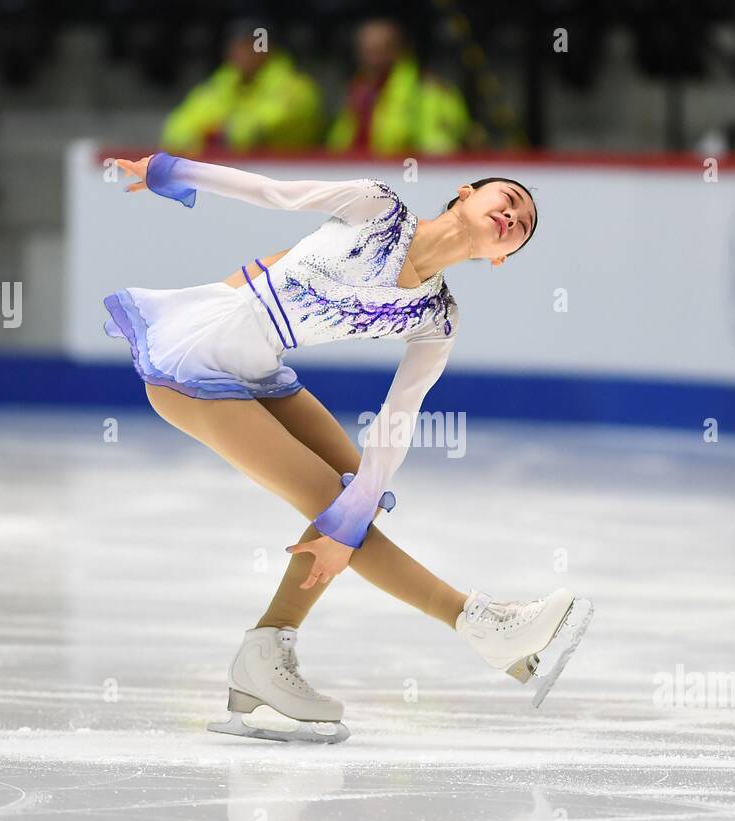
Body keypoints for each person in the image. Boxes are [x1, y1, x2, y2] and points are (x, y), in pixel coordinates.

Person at [103, 152, 591, 742]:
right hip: (194, 358)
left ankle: (268, 653)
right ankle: (476, 622)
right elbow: (273, 192)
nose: (513, 216)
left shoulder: (437, 318)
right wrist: (169, 170)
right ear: (464, 193)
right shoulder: (376, 205)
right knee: (337, 511)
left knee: (354, 501)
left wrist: (352, 516)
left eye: (522, 226)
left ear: (499, 258)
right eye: (508, 200)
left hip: (257, 367)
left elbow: (396, 421)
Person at [159, 22, 323, 154]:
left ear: (268, 48)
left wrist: (215, 133)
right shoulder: (217, 85)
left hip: (284, 173)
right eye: (237, 46)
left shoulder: (296, 88)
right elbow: (175, 131)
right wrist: (209, 136)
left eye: (249, 45)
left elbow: (260, 129)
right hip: (223, 174)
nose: (241, 53)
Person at [326, 18, 472, 155]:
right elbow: (340, 141)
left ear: (398, 51)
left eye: (378, 51)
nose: (369, 59)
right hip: (357, 173)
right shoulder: (359, 89)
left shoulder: (427, 89)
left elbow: (438, 150)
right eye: (364, 51)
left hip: (405, 174)